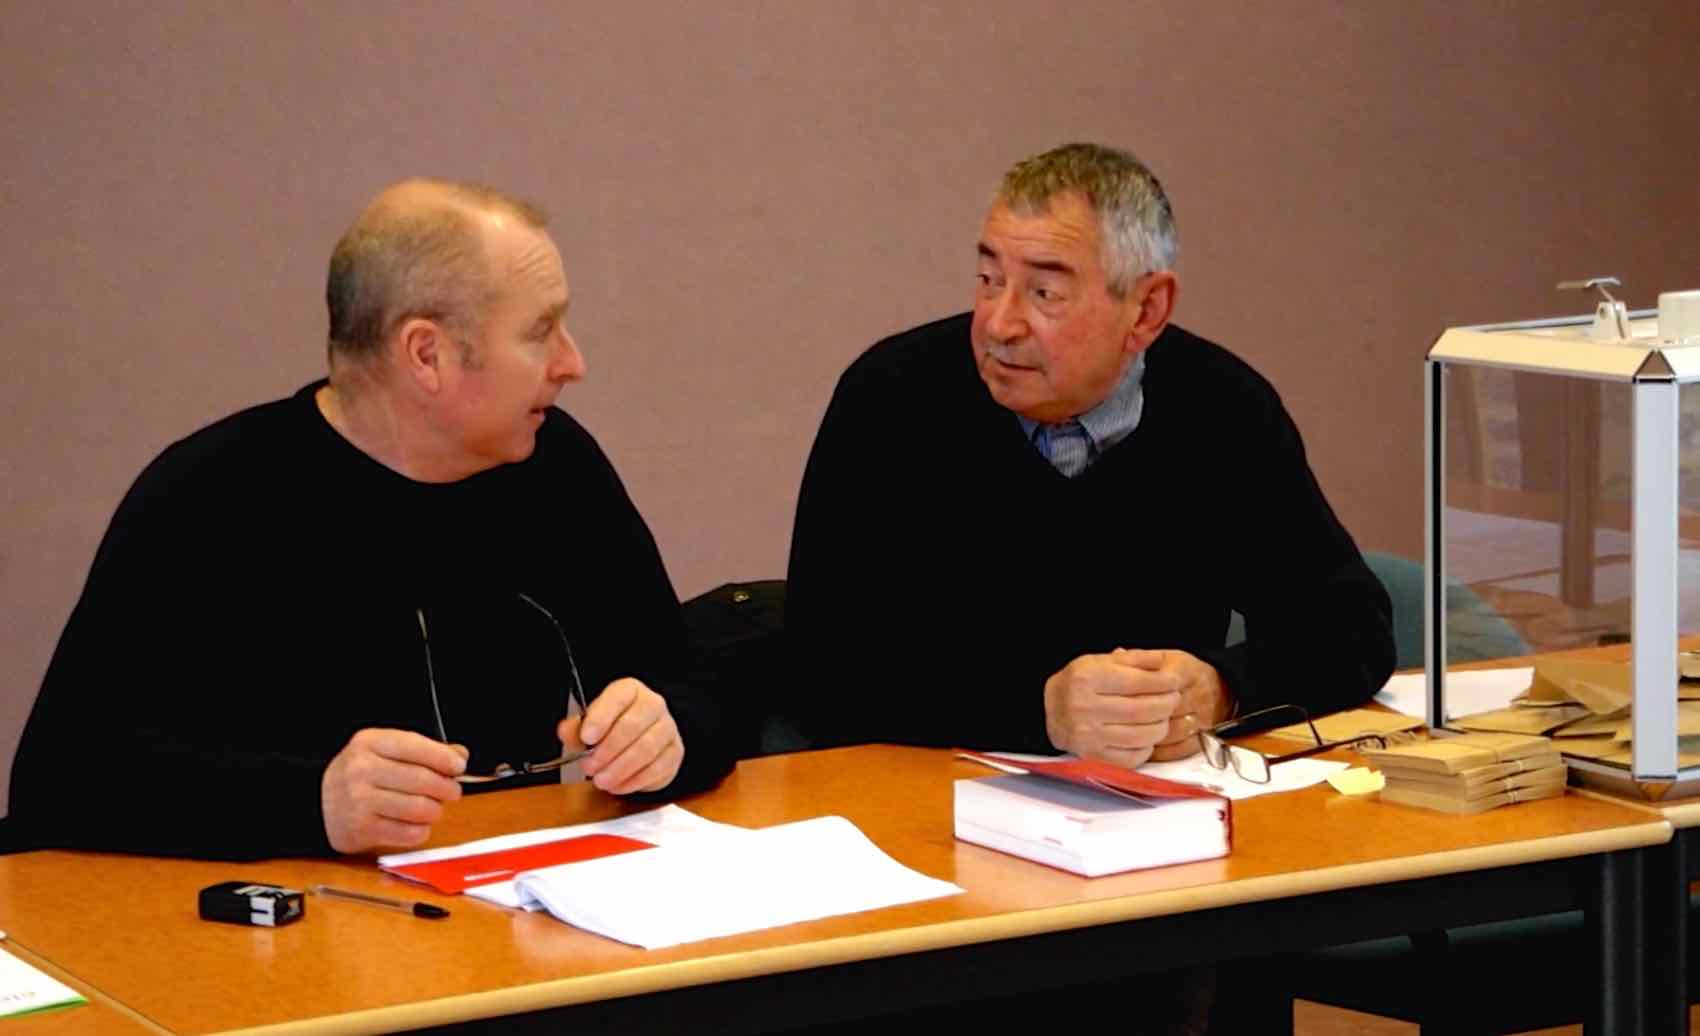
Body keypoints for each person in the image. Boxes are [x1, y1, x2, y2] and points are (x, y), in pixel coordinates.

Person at [7, 179, 733, 860]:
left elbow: (700, 688)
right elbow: (61, 784)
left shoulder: (556, 467)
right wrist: (311, 801)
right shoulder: (210, 495)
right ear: (427, 354)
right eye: (541, 331)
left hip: (517, 921)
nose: (573, 363)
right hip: (284, 943)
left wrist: (670, 732)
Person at [786, 143, 1395, 768]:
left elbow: (1352, 628)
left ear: (1147, 310)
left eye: (1045, 292)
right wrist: (1040, 711)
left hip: (1164, 813)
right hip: (930, 804)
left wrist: (1223, 688)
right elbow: (823, 674)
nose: (999, 324)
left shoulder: (1222, 405)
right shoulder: (892, 397)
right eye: (989, 280)